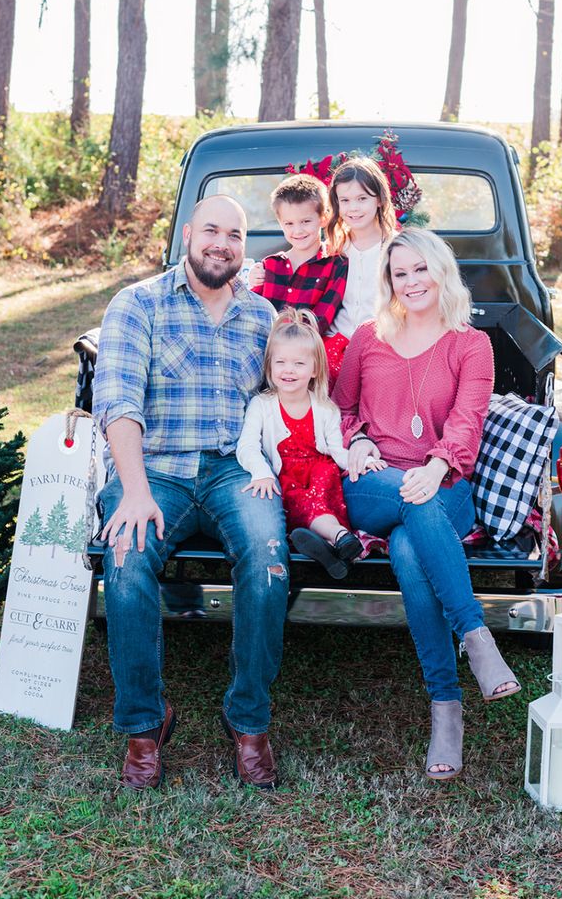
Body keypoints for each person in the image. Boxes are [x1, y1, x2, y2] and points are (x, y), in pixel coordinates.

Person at [92, 194, 288, 792]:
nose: (222, 243)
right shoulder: (138, 303)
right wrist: (131, 491)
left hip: (237, 469)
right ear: (186, 235)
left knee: (268, 561)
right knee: (125, 559)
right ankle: (145, 727)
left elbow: (286, 399)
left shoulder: (262, 317)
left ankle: (248, 720)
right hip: (155, 471)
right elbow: (117, 402)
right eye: (211, 230)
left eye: (235, 234)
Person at [333, 227, 520, 782]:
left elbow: (468, 421)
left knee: (413, 549)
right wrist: (358, 440)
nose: (411, 282)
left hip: (446, 484)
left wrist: (436, 467)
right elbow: (338, 410)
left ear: (441, 272)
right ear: (388, 282)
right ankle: (476, 638)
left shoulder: (471, 344)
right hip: (374, 480)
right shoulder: (368, 337)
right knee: (410, 501)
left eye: (420, 269)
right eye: (400, 273)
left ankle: (446, 708)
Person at [236, 308, 364, 579]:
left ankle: (330, 540)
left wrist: (359, 460)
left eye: (298, 364)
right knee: (296, 498)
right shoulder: (262, 405)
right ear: (269, 365)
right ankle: (340, 541)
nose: (288, 371)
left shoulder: (325, 408)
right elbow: (247, 445)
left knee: (320, 480)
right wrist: (261, 473)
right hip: (285, 478)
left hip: (320, 476)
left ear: (315, 368)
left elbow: (336, 449)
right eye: (280, 362)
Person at [323, 155, 398, 380]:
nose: (353, 208)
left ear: (379, 200)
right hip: (335, 346)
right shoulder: (335, 247)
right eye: (344, 200)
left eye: (362, 198)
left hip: (382, 347)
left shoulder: (396, 247)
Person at [247, 173, 348, 335]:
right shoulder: (270, 265)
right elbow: (255, 316)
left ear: (324, 218)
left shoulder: (335, 264)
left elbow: (321, 320)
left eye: (306, 221)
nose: (298, 231)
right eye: (289, 223)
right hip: (270, 353)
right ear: (280, 223)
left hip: (307, 354)